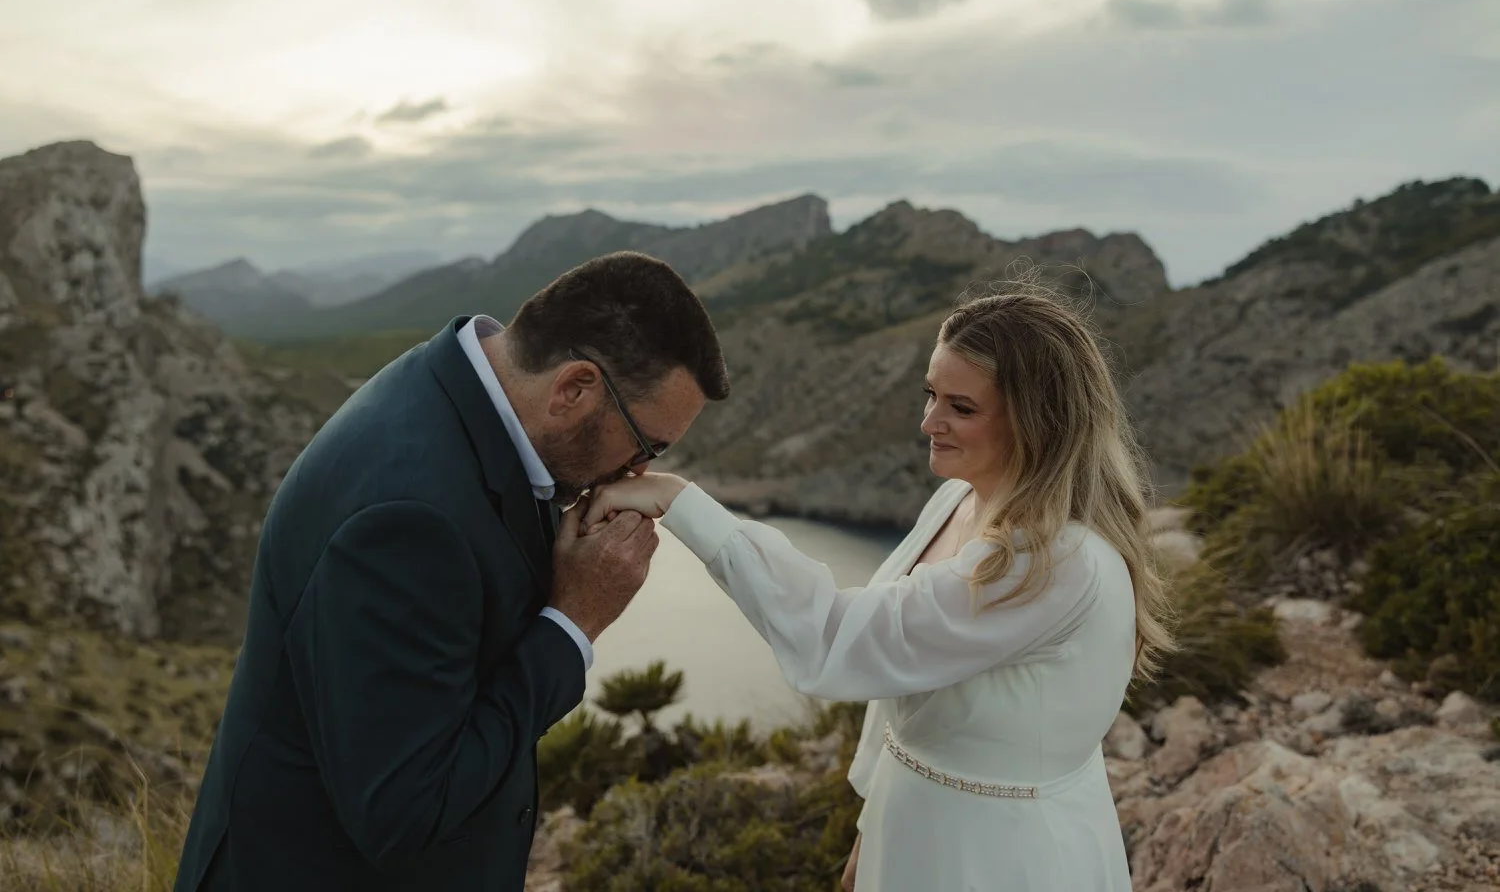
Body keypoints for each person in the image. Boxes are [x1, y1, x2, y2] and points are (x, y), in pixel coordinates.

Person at [581, 284, 1176, 892]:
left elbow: (840, 637)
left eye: (961, 408)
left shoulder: (1054, 560)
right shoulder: (959, 500)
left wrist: (680, 502)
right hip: (917, 825)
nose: (928, 423)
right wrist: (872, 820)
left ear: (1039, 423)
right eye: (930, 395)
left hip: (1000, 855)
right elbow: (898, 668)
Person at [172, 251, 730, 892]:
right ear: (573, 388)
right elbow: (405, 812)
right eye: (647, 443)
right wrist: (573, 622)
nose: (639, 471)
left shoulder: (464, 392)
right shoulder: (410, 522)